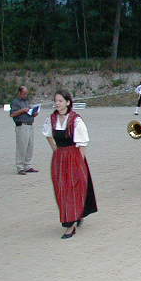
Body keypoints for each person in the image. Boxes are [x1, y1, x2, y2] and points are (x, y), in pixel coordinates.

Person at [43, 90, 97, 239]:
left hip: (74, 157)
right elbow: (48, 135)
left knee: (73, 189)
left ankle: (70, 225)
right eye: (56, 101)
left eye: (60, 101)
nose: (57, 103)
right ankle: (74, 216)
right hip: (59, 158)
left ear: (68, 102)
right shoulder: (52, 119)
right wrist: (56, 150)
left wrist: (79, 161)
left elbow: (83, 142)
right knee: (61, 189)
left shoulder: (75, 120)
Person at [9, 86, 39, 175]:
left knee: (30, 146)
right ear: (19, 93)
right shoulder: (15, 102)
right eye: (24, 93)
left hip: (30, 125)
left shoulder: (26, 102)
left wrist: (34, 113)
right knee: (22, 146)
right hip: (21, 125)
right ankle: (20, 167)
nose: (26, 95)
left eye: (26, 93)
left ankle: (27, 165)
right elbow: (12, 114)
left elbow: (29, 112)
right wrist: (22, 110)